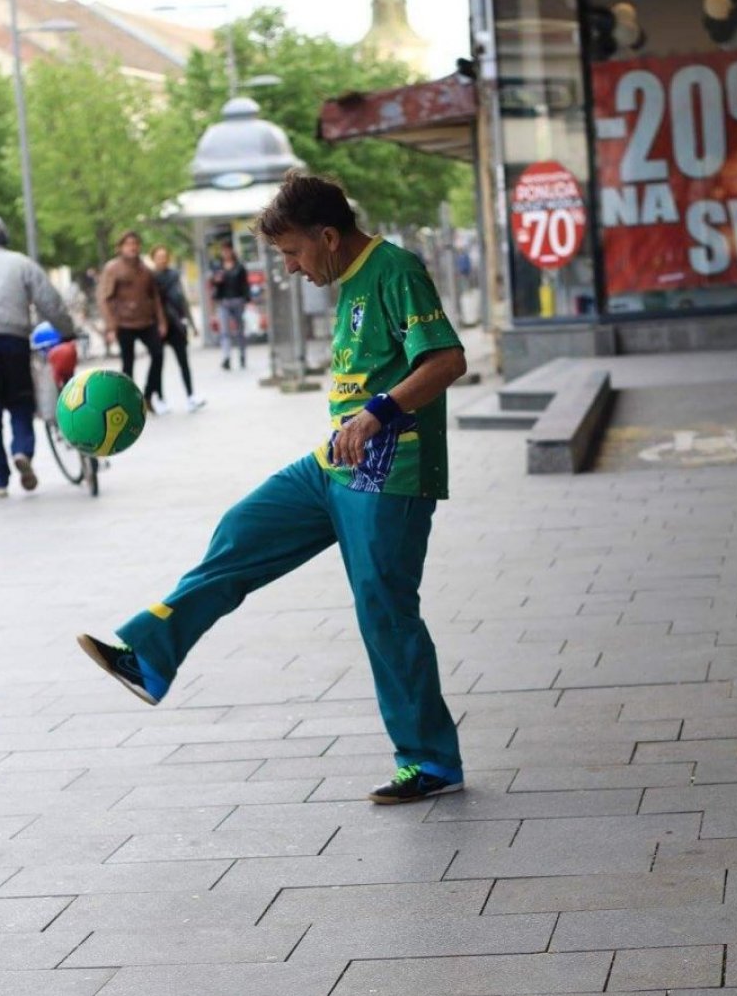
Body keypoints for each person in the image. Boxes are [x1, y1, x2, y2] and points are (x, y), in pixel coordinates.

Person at [77, 170, 468, 805]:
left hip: (391, 474)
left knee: (384, 611)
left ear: (328, 236)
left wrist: (375, 414)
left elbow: (447, 360)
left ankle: (430, 760)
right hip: (335, 465)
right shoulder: (350, 279)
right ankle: (149, 656)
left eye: (292, 252)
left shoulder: (395, 270)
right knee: (244, 527)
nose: (288, 267)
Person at [0, 214, 74, 498]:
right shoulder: (21, 263)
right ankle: (22, 451)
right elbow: (49, 301)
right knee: (20, 402)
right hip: (14, 341)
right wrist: (67, 331)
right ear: (4, 237)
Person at [97, 230, 167, 413]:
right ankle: (129, 403)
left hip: (146, 321)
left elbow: (155, 297)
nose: (132, 247)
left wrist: (161, 321)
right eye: (128, 244)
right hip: (123, 323)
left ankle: (148, 395)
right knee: (128, 364)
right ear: (120, 247)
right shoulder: (113, 268)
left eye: (135, 244)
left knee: (158, 354)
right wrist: (110, 326)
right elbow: (104, 298)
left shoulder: (145, 270)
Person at [150, 245, 206, 414]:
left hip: (176, 324)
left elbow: (183, 301)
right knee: (158, 363)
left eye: (165, 256)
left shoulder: (174, 275)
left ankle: (190, 396)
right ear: (153, 259)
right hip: (158, 326)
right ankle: (160, 399)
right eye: (159, 257)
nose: (162, 260)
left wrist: (192, 325)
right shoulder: (150, 278)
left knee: (184, 362)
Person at [211, 241, 250, 370]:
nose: (226, 253)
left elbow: (245, 284)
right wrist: (216, 280)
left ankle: (242, 355)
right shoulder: (218, 267)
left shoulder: (239, 267)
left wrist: (247, 299)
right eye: (224, 251)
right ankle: (226, 357)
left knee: (240, 331)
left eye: (228, 250)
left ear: (232, 251)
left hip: (238, 301)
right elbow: (213, 283)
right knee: (225, 331)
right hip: (224, 302)